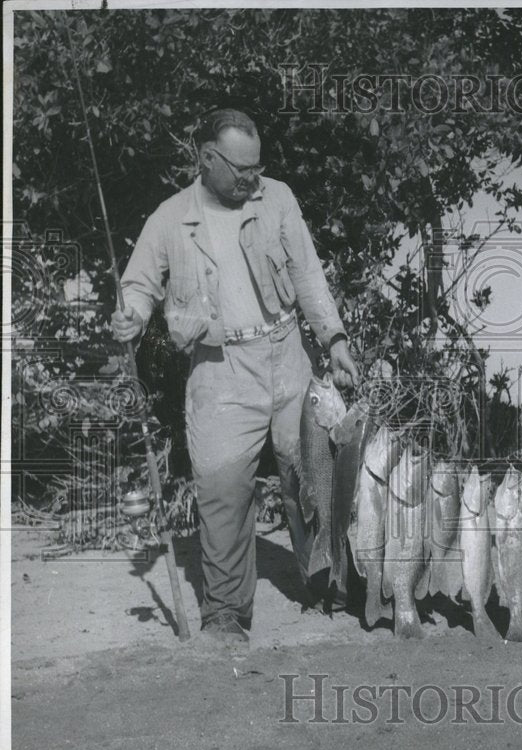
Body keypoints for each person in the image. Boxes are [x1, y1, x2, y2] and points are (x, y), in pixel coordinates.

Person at [112, 109, 359, 645]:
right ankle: (225, 612)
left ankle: (330, 583)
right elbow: (138, 285)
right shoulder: (169, 219)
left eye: (258, 167)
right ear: (206, 158)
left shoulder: (279, 199)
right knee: (223, 490)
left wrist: (334, 339)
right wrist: (131, 312)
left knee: (311, 476)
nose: (253, 179)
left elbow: (307, 274)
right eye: (242, 170)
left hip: (287, 352)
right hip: (220, 371)